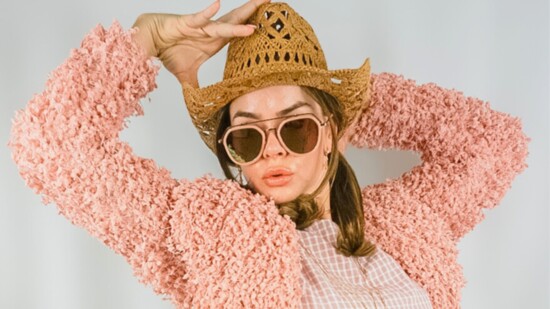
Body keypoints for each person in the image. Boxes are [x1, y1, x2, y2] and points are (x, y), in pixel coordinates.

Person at [8, 0, 529, 308]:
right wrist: (143, 40)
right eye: (250, 136)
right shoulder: (208, 232)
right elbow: (50, 143)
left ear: (330, 132)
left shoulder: (403, 222)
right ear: (232, 149)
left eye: (297, 128)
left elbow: (493, 144)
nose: (273, 149)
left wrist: (360, 102)